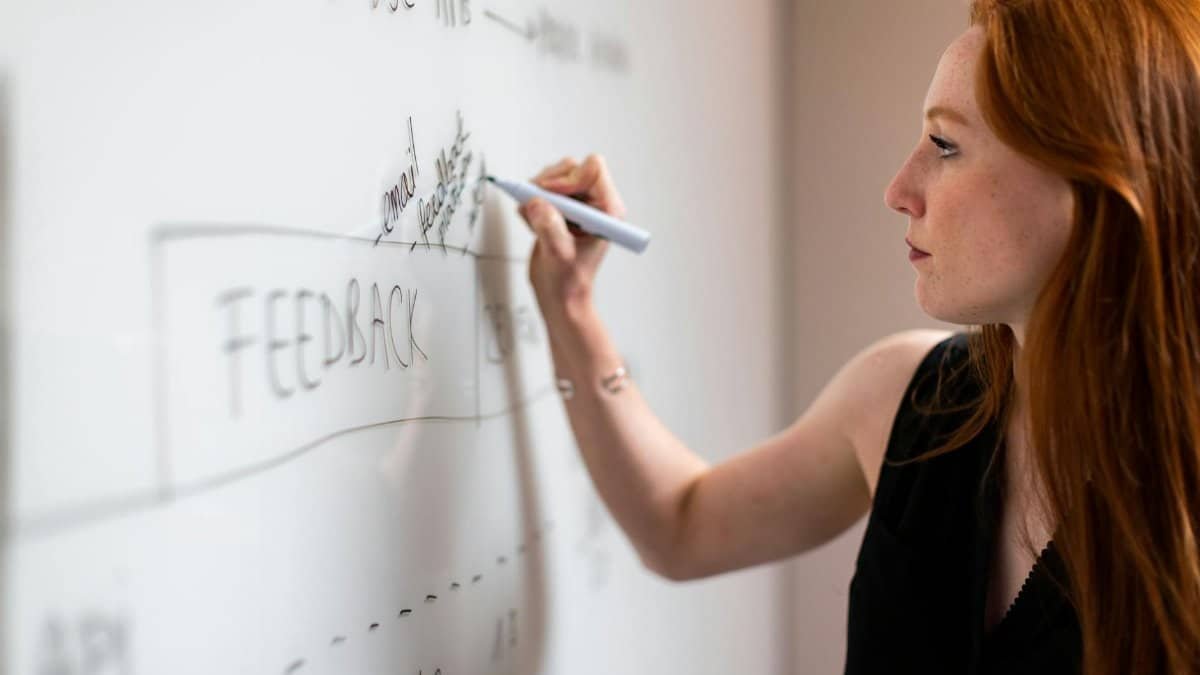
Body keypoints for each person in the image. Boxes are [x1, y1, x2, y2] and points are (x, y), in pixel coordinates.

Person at [516, 1, 1200, 672]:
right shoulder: (911, 399)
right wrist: (572, 306)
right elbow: (679, 525)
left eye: (945, 144)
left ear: (1095, 182)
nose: (899, 188)